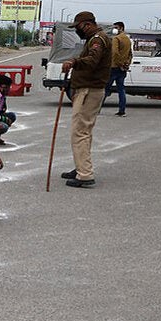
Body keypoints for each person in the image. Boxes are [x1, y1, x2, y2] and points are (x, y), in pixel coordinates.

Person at [61, 11, 112, 188]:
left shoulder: (98, 39)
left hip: (89, 91)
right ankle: (81, 166)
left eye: (79, 27)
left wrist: (74, 62)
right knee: (85, 132)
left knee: (80, 132)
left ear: (87, 24)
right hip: (89, 90)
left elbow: (92, 61)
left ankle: (84, 174)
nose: (78, 31)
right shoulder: (96, 38)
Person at [104, 21, 132, 117]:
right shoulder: (127, 39)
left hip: (114, 67)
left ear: (121, 28)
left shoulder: (116, 38)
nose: (114, 29)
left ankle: (97, 108)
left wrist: (120, 64)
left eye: (116, 27)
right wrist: (126, 64)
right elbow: (130, 54)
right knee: (121, 89)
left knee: (106, 88)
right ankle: (122, 110)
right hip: (123, 68)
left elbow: (115, 53)